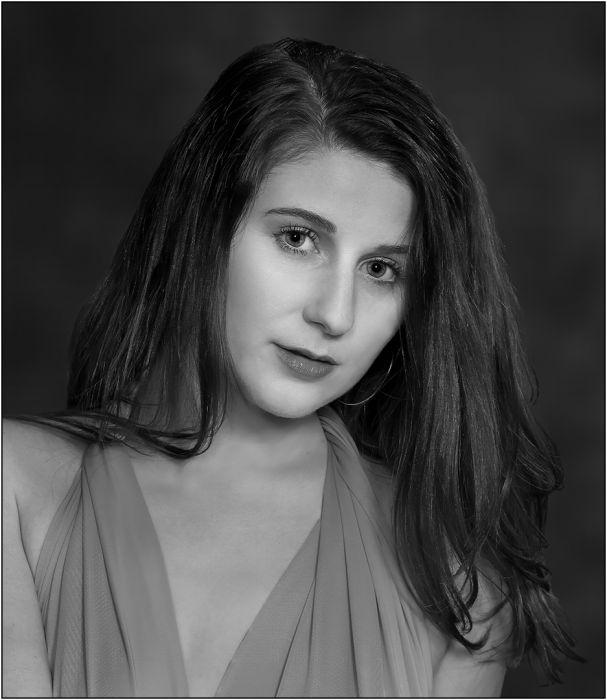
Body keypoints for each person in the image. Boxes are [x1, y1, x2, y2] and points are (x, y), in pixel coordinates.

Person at [3, 38, 578, 697]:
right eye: (298, 238)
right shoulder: (14, 492)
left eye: (381, 270)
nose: (335, 314)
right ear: (202, 226)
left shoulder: (457, 589)